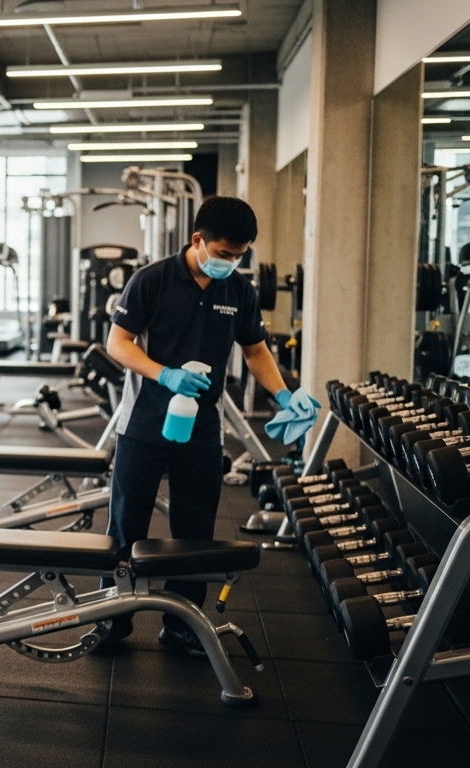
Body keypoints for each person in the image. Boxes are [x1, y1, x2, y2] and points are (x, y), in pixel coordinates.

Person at [99, 196, 319, 655]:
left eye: (239, 256)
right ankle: (112, 618)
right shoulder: (152, 281)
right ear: (197, 240)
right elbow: (117, 343)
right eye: (223, 254)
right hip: (143, 422)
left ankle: (180, 623)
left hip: (201, 430)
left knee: (194, 530)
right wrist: (165, 373)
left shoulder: (237, 290)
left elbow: (255, 349)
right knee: (126, 525)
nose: (230, 263)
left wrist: (283, 394)